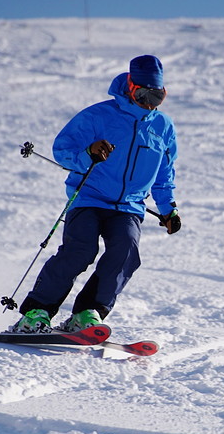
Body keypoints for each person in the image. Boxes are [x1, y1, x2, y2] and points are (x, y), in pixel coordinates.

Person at [11, 55, 181, 333]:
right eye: (143, 95)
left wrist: (168, 208)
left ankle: (88, 311)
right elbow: (63, 150)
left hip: (128, 206)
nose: (149, 103)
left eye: (157, 96)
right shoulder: (98, 116)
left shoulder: (163, 127)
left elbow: (164, 173)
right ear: (130, 87)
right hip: (89, 198)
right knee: (81, 249)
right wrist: (88, 153)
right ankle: (36, 311)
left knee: (126, 252)